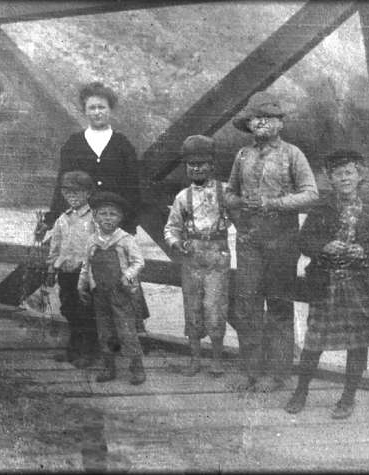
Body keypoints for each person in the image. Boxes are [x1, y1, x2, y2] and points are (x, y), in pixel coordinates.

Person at [284, 149, 369, 419]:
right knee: (314, 341)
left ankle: (348, 397)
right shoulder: (322, 206)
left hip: (360, 283)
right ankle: (301, 392)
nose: (344, 178)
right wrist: (324, 247)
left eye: (349, 172)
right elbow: (303, 241)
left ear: (359, 176)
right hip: (327, 281)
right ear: (330, 179)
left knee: (358, 343)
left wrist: (365, 251)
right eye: (337, 174)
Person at [225, 92, 319, 392]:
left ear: (280, 123)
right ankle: (252, 370)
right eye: (256, 118)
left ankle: (278, 373)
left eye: (269, 117)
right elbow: (228, 194)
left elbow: (311, 194)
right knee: (247, 304)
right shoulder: (243, 156)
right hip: (250, 241)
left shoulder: (293, 154)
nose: (262, 122)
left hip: (282, 241)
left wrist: (276, 203)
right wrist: (241, 203)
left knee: (279, 304)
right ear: (249, 124)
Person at [35, 81, 149, 326]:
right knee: (79, 283)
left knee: (111, 285)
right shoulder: (73, 144)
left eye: (102, 107)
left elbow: (133, 189)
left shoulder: (122, 145)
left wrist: (127, 226)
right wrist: (50, 219)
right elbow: (61, 186)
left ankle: (110, 343)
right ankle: (83, 341)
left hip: (111, 227)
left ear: (110, 110)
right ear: (84, 111)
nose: (97, 112)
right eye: (92, 107)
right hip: (79, 226)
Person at [164, 135, 230, 377]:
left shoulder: (225, 192)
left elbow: (242, 218)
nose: (197, 168)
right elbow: (171, 228)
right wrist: (176, 243)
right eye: (192, 164)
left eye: (202, 163)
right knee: (192, 308)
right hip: (191, 259)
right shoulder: (183, 197)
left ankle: (217, 359)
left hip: (217, 258)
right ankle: (194, 359)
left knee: (215, 308)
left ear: (212, 164)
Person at [78, 191, 147, 385]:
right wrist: (82, 285)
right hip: (100, 293)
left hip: (121, 293)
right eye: (103, 214)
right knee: (105, 330)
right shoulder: (92, 241)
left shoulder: (125, 239)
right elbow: (86, 265)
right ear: (95, 216)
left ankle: (136, 366)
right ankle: (109, 367)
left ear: (120, 218)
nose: (108, 218)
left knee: (126, 330)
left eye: (113, 214)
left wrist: (127, 276)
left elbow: (138, 262)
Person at [46, 170, 99, 368]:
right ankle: (74, 348)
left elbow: (99, 246)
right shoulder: (62, 219)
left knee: (86, 311)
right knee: (68, 309)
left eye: (77, 192)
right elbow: (55, 247)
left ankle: (89, 351)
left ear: (88, 193)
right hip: (65, 273)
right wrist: (52, 269)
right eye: (67, 192)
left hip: (85, 274)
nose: (72, 196)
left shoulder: (94, 219)